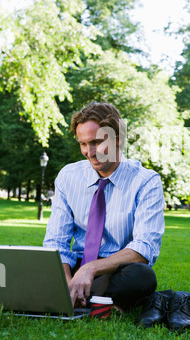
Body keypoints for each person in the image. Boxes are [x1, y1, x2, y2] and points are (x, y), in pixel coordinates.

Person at [43, 101, 165, 312]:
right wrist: (65, 279)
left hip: (115, 268)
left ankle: (84, 294)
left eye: (96, 142)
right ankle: (91, 297)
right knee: (31, 267)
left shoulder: (146, 181)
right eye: (82, 144)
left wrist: (90, 269)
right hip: (75, 266)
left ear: (117, 139)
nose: (89, 152)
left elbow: (145, 248)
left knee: (142, 277)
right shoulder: (68, 176)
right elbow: (56, 241)